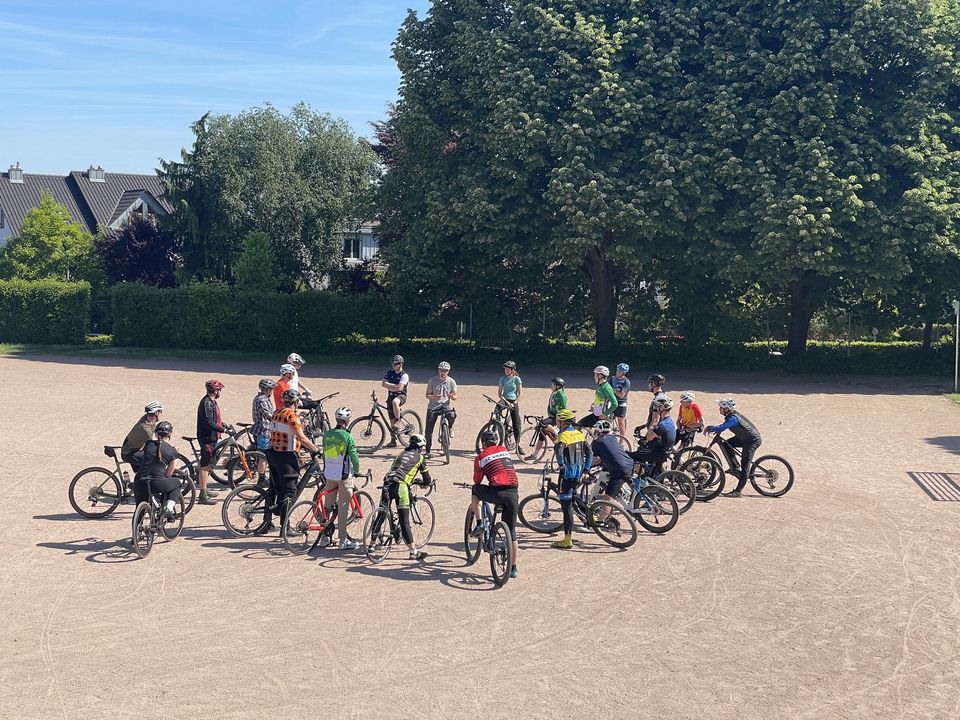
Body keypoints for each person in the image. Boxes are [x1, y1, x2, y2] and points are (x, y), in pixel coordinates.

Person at [264, 388, 319, 534]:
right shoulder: (292, 416)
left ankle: (266, 522)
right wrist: (315, 450)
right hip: (286, 456)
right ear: (295, 402)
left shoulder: (277, 412)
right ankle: (285, 528)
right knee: (289, 491)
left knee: (275, 488)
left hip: (273, 454)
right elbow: (301, 437)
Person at [373, 434, 433, 560]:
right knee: (404, 521)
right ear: (420, 447)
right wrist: (426, 484)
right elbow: (427, 478)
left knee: (381, 515)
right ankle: (413, 551)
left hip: (387, 483)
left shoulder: (400, 454)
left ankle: (372, 545)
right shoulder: (420, 458)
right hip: (401, 486)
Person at [470, 429, 520, 577]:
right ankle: (513, 568)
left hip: (496, 492)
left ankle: (479, 522)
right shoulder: (505, 451)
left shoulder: (480, 457)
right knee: (511, 531)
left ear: (483, 443)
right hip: (513, 492)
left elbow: (477, 480)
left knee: (475, 489)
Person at [321, 406, 363, 550]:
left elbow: (327, 454)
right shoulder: (347, 436)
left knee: (327, 506)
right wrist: (357, 470)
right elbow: (354, 457)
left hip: (329, 474)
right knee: (343, 508)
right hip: (343, 476)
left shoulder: (327, 434)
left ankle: (324, 537)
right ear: (348, 420)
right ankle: (343, 540)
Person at [551, 409, 593, 550]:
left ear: (562, 421)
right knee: (574, 496)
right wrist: (586, 470)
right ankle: (591, 516)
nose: (556, 422)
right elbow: (589, 452)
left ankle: (567, 539)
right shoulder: (579, 434)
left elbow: (558, 452)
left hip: (567, 475)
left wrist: (561, 465)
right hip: (579, 473)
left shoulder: (562, 436)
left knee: (566, 507)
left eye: (557, 420)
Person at [705, 398, 762, 498]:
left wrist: (711, 428)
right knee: (727, 444)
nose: (719, 409)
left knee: (745, 466)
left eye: (721, 407)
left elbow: (722, 427)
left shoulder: (733, 419)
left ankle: (738, 491)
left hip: (751, 441)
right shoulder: (731, 416)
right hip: (744, 438)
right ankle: (735, 468)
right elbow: (723, 426)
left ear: (727, 409)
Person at [132, 420, 182, 520]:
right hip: (157, 483)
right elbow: (168, 474)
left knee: (139, 509)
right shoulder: (172, 451)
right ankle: (168, 508)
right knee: (176, 483)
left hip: (139, 481)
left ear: (156, 433)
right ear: (170, 433)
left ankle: (136, 532)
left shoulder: (148, 444)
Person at [589, 419, 635, 512]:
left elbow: (593, 460)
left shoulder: (597, 443)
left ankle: (601, 522)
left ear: (597, 431)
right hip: (630, 464)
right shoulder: (613, 438)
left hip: (620, 471)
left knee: (607, 500)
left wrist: (586, 467)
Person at [196, 379, 226, 505]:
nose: (220, 392)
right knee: (205, 466)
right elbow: (208, 422)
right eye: (219, 390)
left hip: (212, 436)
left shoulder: (212, 402)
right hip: (207, 438)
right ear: (215, 390)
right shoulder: (206, 403)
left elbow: (214, 419)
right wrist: (222, 429)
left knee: (210, 464)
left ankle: (205, 489)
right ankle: (202, 495)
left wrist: (222, 425)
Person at [630, 396, 676, 474]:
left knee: (633, 455)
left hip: (659, 453)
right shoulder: (669, 421)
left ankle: (641, 480)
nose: (656, 409)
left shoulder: (661, 425)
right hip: (666, 451)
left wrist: (651, 427)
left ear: (662, 408)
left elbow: (649, 437)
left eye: (658, 407)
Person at [424, 361, 457, 456]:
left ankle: (450, 428)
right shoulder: (432, 380)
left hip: (444, 405)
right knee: (428, 431)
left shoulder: (451, 381)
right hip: (433, 406)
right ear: (438, 370)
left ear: (448, 371)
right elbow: (427, 395)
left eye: (445, 371)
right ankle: (427, 451)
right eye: (441, 370)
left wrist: (451, 396)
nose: (443, 372)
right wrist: (433, 397)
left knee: (452, 414)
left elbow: (455, 396)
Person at [121, 400, 164, 473]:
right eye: (160, 412)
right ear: (156, 413)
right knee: (153, 461)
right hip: (129, 453)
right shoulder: (145, 429)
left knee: (141, 473)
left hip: (134, 450)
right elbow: (151, 448)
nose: (161, 414)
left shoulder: (147, 418)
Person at [251, 379, 276, 487]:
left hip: (263, 429)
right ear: (268, 390)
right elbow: (269, 415)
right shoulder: (262, 400)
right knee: (263, 455)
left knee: (265, 454)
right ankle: (261, 479)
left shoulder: (261, 398)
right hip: (264, 430)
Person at [381, 355, 410, 447]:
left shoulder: (404, 375)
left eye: (395, 364)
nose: (393, 366)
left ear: (400, 364)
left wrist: (391, 386)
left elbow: (400, 388)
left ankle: (398, 419)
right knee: (391, 421)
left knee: (395, 402)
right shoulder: (389, 373)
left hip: (401, 396)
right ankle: (393, 441)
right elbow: (383, 384)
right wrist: (394, 386)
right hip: (390, 396)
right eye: (392, 364)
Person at [497, 360, 522, 445]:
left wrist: (515, 402)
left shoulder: (516, 379)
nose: (506, 370)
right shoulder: (502, 379)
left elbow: (520, 393)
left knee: (516, 422)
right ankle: (497, 425)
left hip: (513, 400)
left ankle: (518, 444)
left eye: (508, 369)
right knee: (497, 409)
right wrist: (505, 401)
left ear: (512, 370)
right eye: (505, 369)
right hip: (504, 399)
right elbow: (500, 394)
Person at [611, 363, 631, 438]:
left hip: (621, 403)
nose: (617, 372)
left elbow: (621, 395)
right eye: (617, 370)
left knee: (621, 423)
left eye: (619, 371)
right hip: (612, 402)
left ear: (623, 373)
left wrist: (613, 390)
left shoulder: (626, 382)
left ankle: (622, 441)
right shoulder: (612, 379)